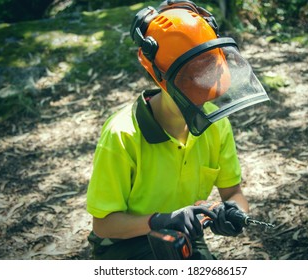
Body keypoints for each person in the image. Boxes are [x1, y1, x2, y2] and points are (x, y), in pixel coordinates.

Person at [86, 0, 269, 260]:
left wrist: (233, 212)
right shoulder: (122, 135)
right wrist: (160, 220)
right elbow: (103, 224)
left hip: (183, 234)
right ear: (161, 77)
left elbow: (234, 193)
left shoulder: (216, 125)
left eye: (208, 78)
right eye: (191, 82)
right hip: (125, 243)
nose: (203, 92)